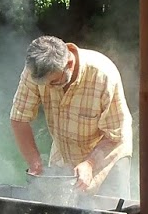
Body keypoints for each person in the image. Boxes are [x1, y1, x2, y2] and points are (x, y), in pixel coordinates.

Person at [9, 35, 133, 195]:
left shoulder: (103, 75)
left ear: (69, 64)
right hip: (64, 153)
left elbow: (115, 136)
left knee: (112, 213)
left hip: (108, 155)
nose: (48, 88)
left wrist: (89, 163)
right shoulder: (35, 71)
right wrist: (35, 162)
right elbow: (19, 118)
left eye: (53, 82)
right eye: (43, 84)